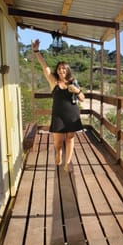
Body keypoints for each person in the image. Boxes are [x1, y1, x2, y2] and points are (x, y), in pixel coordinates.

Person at [31, 39, 85, 172]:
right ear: (57, 71)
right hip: (58, 115)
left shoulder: (74, 82)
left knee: (70, 139)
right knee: (58, 141)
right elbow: (45, 67)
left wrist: (77, 90)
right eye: (59, 69)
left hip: (72, 114)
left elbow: (82, 98)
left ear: (67, 71)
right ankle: (58, 153)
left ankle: (67, 163)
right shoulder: (53, 81)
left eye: (64, 69)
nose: (61, 71)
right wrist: (36, 51)